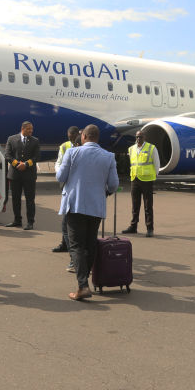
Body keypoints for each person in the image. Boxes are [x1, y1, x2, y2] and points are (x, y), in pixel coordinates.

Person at [56, 124, 119, 300]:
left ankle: (83, 286)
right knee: (90, 244)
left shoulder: (72, 152)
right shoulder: (108, 156)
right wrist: (102, 193)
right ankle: (85, 281)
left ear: (83, 136)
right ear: (97, 138)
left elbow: (60, 177)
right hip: (96, 207)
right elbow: (113, 185)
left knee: (76, 246)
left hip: (75, 205)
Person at [122, 130, 160, 237]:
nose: (139, 139)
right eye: (137, 137)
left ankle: (150, 228)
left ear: (144, 138)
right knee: (135, 205)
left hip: (147, 180)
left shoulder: (151, 148)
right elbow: (132, 163)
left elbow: (157, 163)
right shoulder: (131, 149)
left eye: (141, 137)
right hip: (135, 179)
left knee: (148, 206)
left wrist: (154, 175)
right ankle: (133, 226)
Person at [4, 121, 40, 230]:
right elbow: (7, 155)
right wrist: (16, 164)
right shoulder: (12, 139)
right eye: (29, 129)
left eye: (32, 129)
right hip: (15, 175)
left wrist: (26, 164)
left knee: (30, 199)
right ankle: (17, 220)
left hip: (29, 175)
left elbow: (37, 157)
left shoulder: (35, 141)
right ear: (23, 129)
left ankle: (30, 222)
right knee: (16, 199)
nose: (31, 131)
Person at [52, 126, 80, 261]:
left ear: (77, 134)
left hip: (76, 185)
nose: (70, 137)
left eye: (72, 135)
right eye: (69, 135)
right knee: (65, 214)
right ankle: (64, 244)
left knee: (70, 218)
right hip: (66, 182)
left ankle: (72, 251)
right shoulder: (64, 146)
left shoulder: (82, 146)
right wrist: (60, 174)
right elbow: (58, 162)